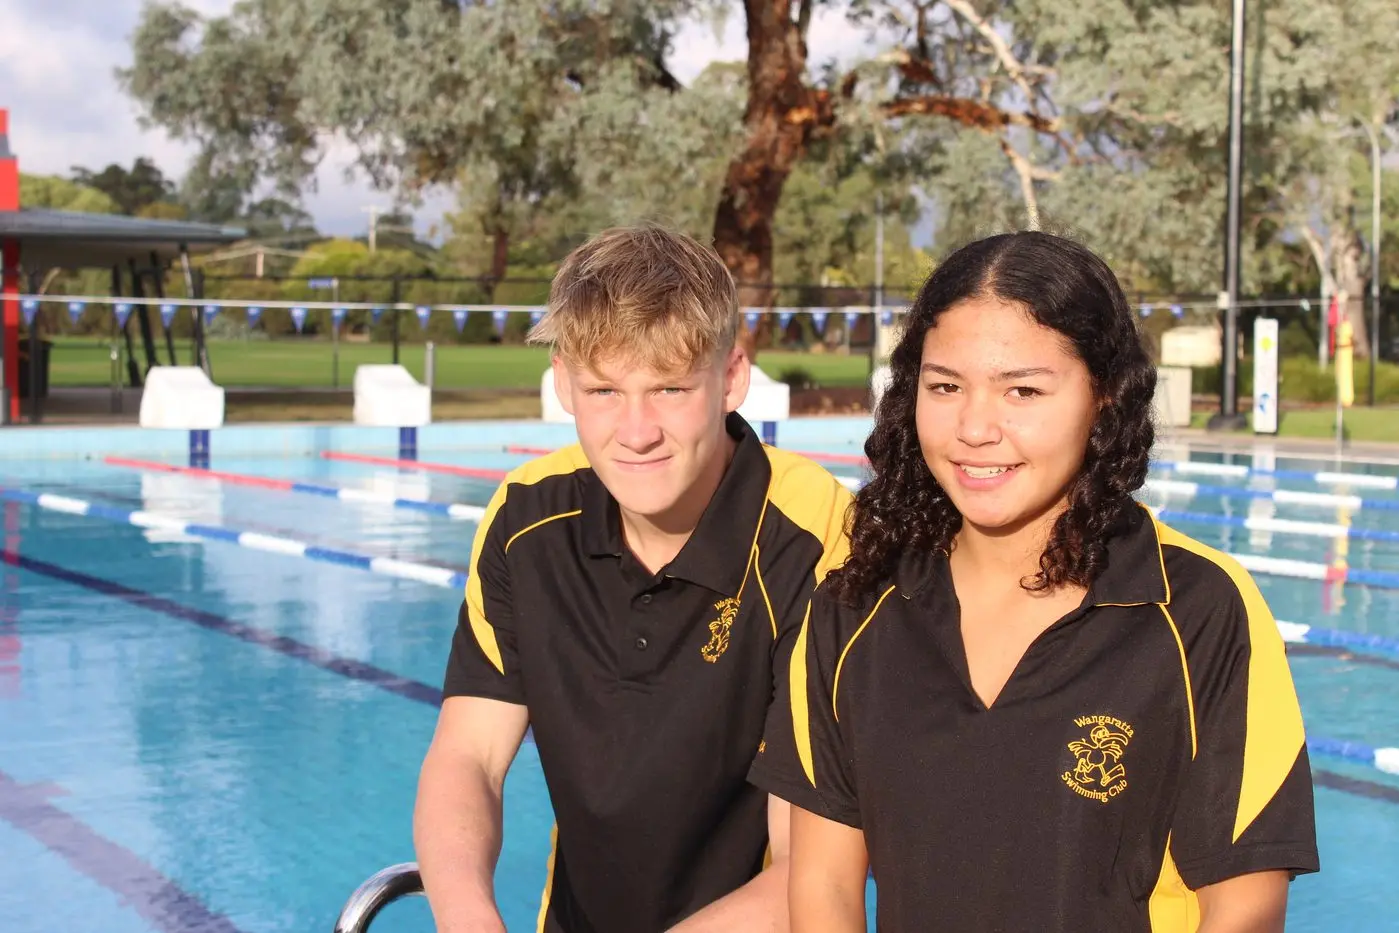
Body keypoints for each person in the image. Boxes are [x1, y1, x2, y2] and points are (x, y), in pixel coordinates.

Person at [748, 231, 1320, 932]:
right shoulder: (854, 605)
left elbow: (1245, 904)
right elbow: (825, 886)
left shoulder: (1199, 607)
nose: (974, 428)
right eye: (944, 386)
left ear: (1103, 397)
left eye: (1022, 390)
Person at [413, 223, 853, 933]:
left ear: (731, 379)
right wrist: (469, 918)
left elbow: (811, 865)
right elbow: (469, 755)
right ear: (563, 382)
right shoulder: (527, 516)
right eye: (604, 390)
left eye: (670, 388)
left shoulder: (813, 538)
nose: (637, 430)